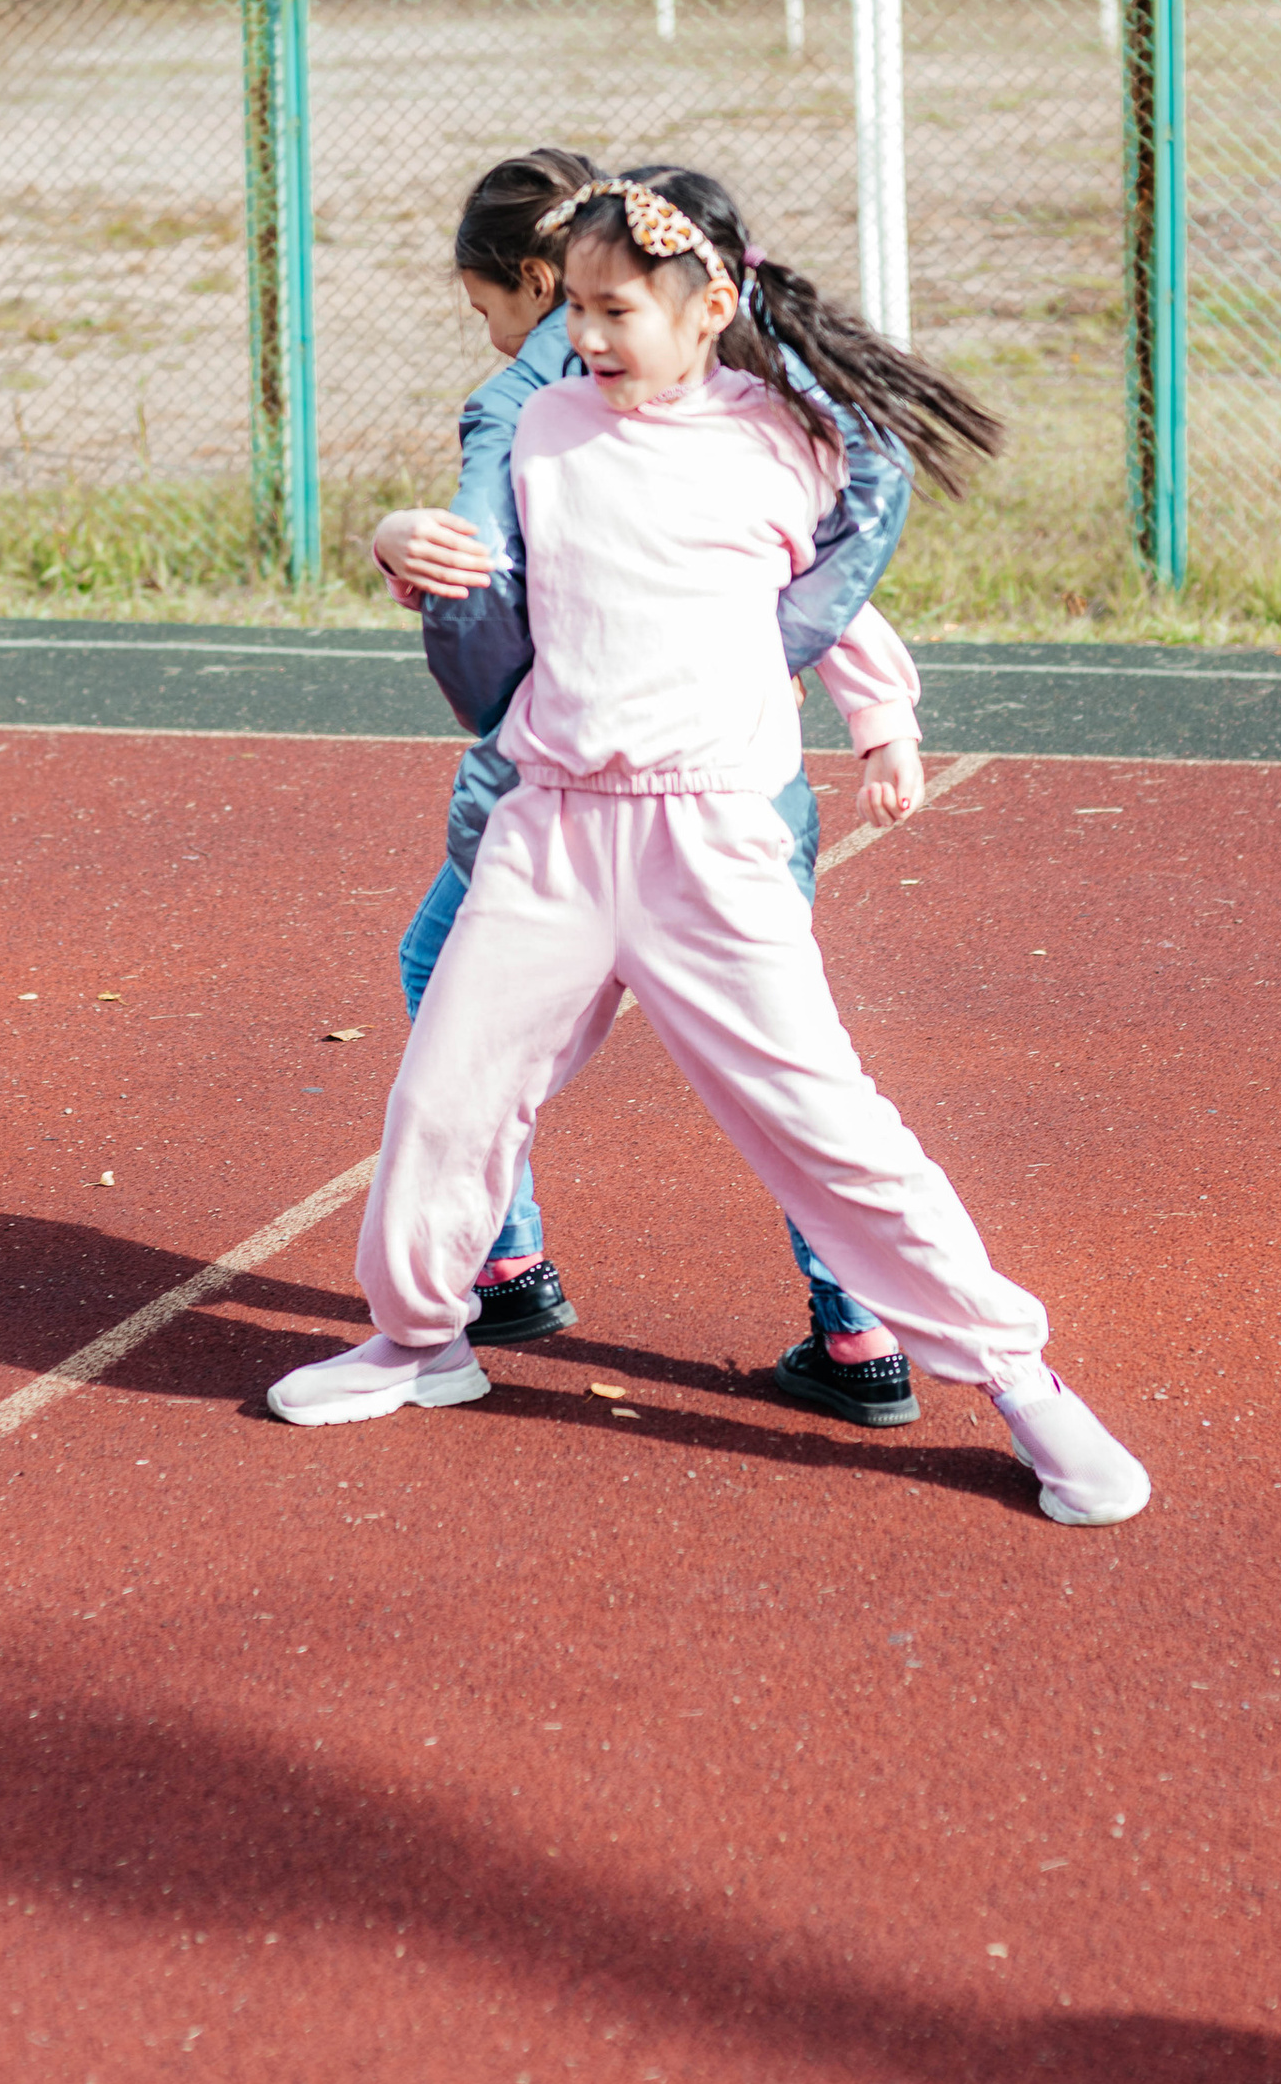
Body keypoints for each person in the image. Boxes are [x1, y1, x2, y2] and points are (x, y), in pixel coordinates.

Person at [279, 165, 1151, 1532]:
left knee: (825, 1120)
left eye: (617, 308)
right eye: (573, 306)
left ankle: (1019, 1379)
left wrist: (884, 716)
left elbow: (824, 594)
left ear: (709, 308)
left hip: (714, 841)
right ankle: (418, 1339)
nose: (585, 334)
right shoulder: (544, 427)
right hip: (550, 828)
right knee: (448, 1097)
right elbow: (485, 573)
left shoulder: (786, 441)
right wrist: (397, 543)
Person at [369, 147, 933, 1428]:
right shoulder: (658, 404)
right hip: (675, 802)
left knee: (481, 1009)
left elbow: (496, 577)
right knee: (780, 1077)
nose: (554, 335)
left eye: (503, 308)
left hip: (613, 803)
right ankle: (849, 1326)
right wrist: (878, 714)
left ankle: (503, 1265)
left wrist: (875, 708)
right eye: (572, 311)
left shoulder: (562, 412)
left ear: (537, 282)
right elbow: (801, 567)